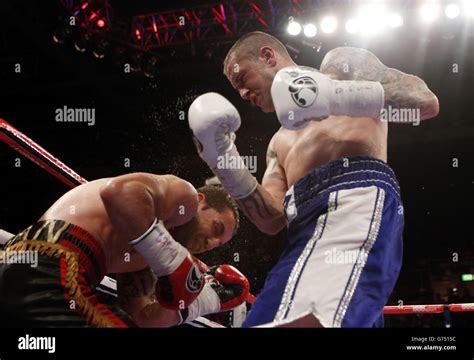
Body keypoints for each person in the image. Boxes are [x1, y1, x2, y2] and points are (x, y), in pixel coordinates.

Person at [188, 31, 439, 327]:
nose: (242, 94)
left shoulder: (339, 66)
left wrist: (331, 94)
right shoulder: (277, 143)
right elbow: (270, 219)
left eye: (242, 79)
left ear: (268, 56)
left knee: (310, 321)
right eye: (236, 89)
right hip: (302, 235)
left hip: (351, 203)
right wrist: (223, 161)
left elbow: (424, 102)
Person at [0, 173, 248, 327]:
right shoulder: (184, 196)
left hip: (27, 271)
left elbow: (141, 318)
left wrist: (206, 300)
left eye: (220, 244)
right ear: (201, 203)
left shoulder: (143, 258)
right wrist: (171, 257)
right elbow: (119, 192)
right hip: (52, 259)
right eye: (216, 228)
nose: (212, 243)